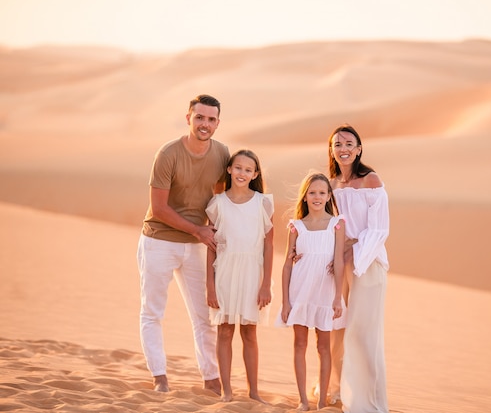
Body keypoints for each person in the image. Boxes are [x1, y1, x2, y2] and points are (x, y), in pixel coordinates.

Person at [137, 94, 229, 393]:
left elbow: (219, 200)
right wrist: (198, 230)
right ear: (188, 118)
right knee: (153, 311)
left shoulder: (221, 153)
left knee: (204, 315)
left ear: (217, 123)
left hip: (197, 245)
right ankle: (159, 376)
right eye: (199, 117)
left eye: (211, 119)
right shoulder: (168, 154)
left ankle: (211, 379)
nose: (205, 124)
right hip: (159, 241)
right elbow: (160, 208)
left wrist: (213, 233)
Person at [328, 124, 390, 413]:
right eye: (338, 144)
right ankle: (337, 390)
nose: (344, 148)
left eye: (349, 143)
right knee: (337, 329)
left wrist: (354, 252)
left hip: (367, 264)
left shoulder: (371, 180)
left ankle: (366, 402)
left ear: (359, 148)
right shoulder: (331, 186)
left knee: (363, 331)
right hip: (339, 264)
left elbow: (379, 229)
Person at [205, 149, 274, 403]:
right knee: (224, 332)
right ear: (229, 170)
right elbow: (210, 248)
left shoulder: (263, 203)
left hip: (252, 274)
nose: (242, 173)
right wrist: (210, 287)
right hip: (224, 273)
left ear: (255, 174)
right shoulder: (217, 203)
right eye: (238, 167)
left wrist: (266, 284)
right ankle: (227, 390)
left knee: (249, 333)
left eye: (248, 169)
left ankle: (253, 391)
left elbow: (269, 246)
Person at [277, 172, 347, 411]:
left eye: (322, 193)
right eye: (312, 192)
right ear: (305, 196)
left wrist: (337, 297)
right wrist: (285, 302)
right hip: (300, 291)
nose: (317, 197)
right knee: (299, 344)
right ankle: (303, 400)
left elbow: (338, 262)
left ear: (329, 197)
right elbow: (287, 265)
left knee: (323, 346)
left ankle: (321, 400)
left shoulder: (337, 224)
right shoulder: (296, 227)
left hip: (325, 293)